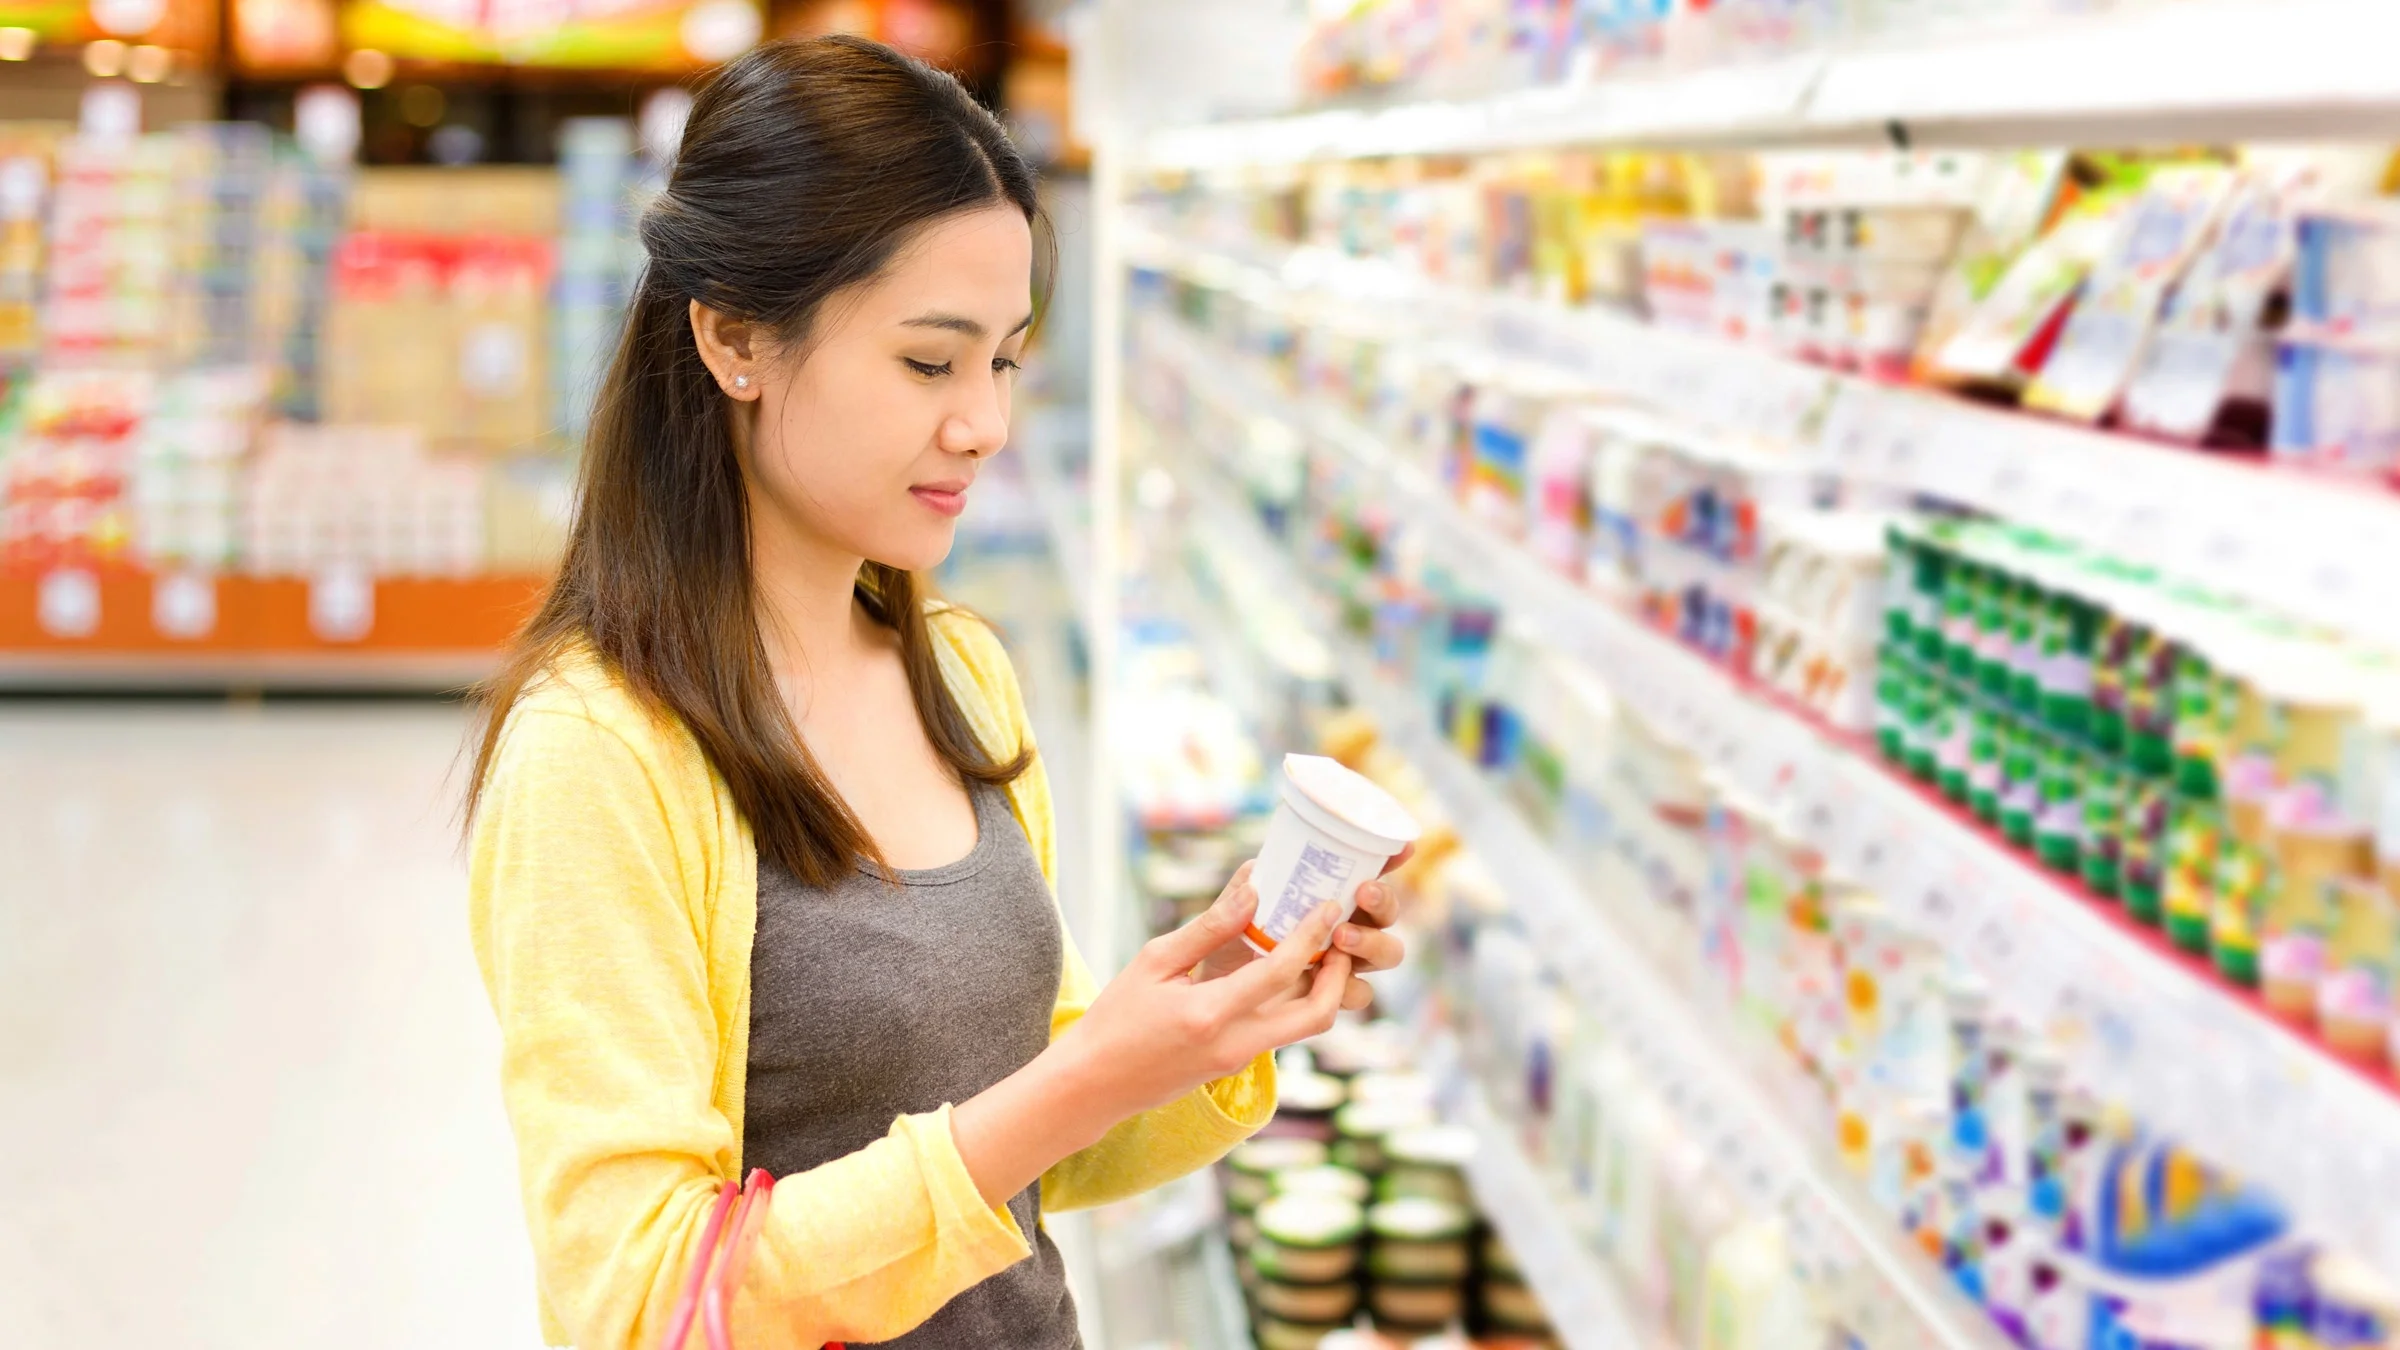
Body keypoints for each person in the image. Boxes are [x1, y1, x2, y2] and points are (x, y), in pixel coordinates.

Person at [462, 36, 1408, 1350]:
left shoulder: (957, 666)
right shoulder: (601, 753)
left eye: (1007, 360)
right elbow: (640, 1299)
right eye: (929, 362)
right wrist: (1079, 1074)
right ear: (735, 336)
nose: (986, 423)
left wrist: (1214, 1014)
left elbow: (1025, 1153)